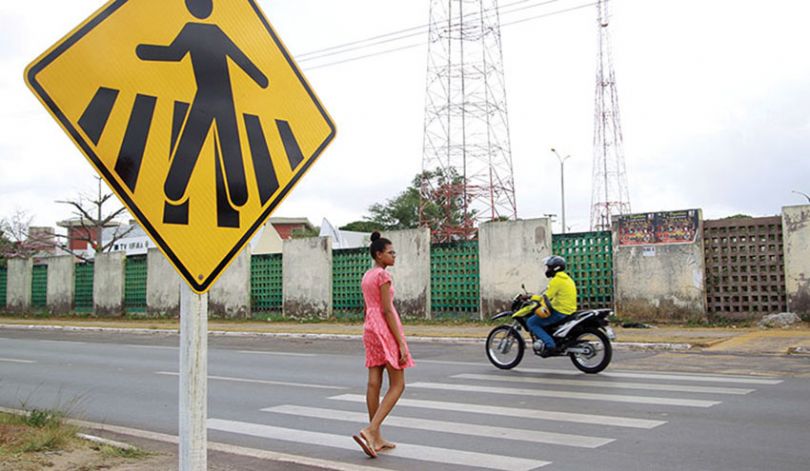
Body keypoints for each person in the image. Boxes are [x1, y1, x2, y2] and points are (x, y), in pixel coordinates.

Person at [352, 231, 414, 458]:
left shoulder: (367, 275)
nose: (394, 256)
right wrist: (401, 344)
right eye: (390, 252)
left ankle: (376, 438)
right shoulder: (383, 277)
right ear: (379, 255)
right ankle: (370, 430)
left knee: (373, 383)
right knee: (398, 383)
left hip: (370, 326)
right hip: (385, 327)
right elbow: (387, 309)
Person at [526, 255, 578, 353]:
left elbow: (546, 297)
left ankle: (550, 345)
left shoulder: (557, 281)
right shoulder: (567, 279)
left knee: (531, 322)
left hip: (560, 311)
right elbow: (554, 298)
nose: (548, 269)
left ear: (555, 268)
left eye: (549, 267)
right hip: (569, 310)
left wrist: (530, 297)